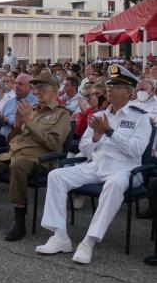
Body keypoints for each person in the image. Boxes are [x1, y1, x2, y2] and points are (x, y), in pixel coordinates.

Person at [36, 65, 151, 264]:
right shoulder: (99, 116)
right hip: (96, 166)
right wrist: (96, 137)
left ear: (128, 91)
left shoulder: (140, 117)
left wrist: (110, 132)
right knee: (56, 175)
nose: (110, 88)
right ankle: (60, 236)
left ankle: (89, 241)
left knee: (114, 184)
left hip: (126, 170)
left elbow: (136, 151)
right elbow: (85, 148)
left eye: (116, 84)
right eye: (109, 84)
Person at [0, 71, 70, 242]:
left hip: (39, 160)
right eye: (36, 87)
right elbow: (12, 139)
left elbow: (54, 145)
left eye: (41, 87)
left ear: (54, 90)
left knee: (18, 166)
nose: (36, 91)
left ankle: (19, 221)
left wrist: (29, 123)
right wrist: (17, 126)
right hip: (13, 154)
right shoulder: (31, 110)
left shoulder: (62, 114)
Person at [0, 74, 37, 138]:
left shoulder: (36, 104)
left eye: (20, 84)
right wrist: (1, 119)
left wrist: (8, 120)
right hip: (2, 137)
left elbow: (27, 124)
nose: (16, 86)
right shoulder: (9, 102)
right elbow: (1, 119)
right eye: (15, 83)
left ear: (30, 88)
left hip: (22, 141)